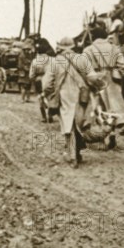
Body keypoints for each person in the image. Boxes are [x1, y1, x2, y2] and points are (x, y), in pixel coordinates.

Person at [42, 37, 109, 167]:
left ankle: (72, 156)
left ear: (60, 48)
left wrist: (51, 92)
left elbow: (46, 85)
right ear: (73, 47)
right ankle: (78, 152)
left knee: (69, 125)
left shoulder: (54, 62)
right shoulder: (82, 59)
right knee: (80, 124)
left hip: (64, 95)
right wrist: (100, 85)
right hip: (82, 95)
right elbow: (93, 78)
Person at [83, 26, 124, 134]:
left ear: (93, 37)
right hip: (111, 76)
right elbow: (123, 66)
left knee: (97, 102)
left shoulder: (88, 50)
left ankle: (101, 125)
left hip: (95, 76)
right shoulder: (114, 48)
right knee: (116, 101)